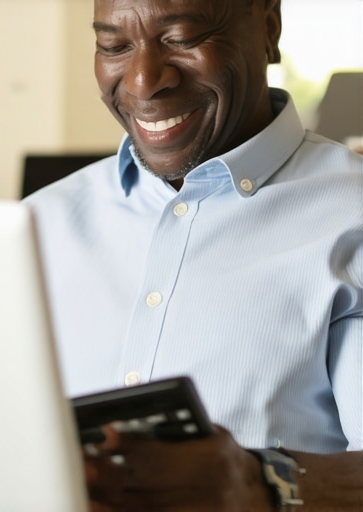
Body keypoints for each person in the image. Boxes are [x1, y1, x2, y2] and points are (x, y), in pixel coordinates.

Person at [24, 0, 363, 509]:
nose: (142, 81)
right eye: (114, 46)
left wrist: (262, 482)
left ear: (268, 28)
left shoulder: (351, 218)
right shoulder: (35, 224)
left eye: (181, 39)